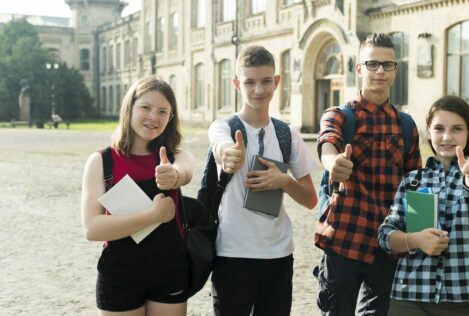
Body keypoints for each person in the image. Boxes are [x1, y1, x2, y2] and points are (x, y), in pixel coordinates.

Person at [315, 33, 422, 315]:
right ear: (359, 68)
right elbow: (328, 143)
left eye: (387, 65)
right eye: (372, 64)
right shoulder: (339, 115)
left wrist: (420, 240)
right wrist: (333, 164)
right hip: (344, 241)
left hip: (388, 246)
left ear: (395, 70)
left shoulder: (407, 125)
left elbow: (416, 188)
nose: (380, 72)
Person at [208, 45, 318, 316]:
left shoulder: (287, 134)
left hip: (278, 254)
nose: (259, 89)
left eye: (266, 81)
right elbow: (222, 148)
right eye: (249, 82)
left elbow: (310, 199)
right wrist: (230, 155)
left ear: (277, 82)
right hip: (232, 253)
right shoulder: (223, 127)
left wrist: (283, 181)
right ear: (236, 84)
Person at [80, 76, 194, 315]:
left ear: (170, 118)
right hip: (121, 274)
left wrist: (173, 175)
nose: (153, 117)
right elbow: (92, 228)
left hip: (169, 269)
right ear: (129, 108)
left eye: (163, 112)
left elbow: (184, 171)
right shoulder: (102, 162)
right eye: (146, 108)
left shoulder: (176, 157)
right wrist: (153, 215)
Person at [378, 95, 469, 316]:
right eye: (439, 128)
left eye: (457, 129)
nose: (446, 137)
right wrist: (414, 240)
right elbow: (385, 235)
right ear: (429, 131)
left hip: (464, 299)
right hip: (409, 298)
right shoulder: (412, 181)